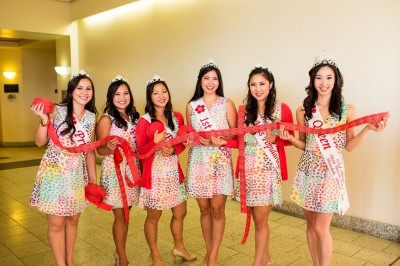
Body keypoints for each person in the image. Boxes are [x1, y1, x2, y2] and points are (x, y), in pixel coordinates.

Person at [279, 53, 388, 266]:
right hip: (307, 172)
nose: (324, 83)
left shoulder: (347, 110)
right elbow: (305, 144)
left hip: (330, 173)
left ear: (336, 80)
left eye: (329, 77)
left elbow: (349, 146)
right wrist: (291, 139)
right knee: (310, 224)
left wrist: (366, 129)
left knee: (321, 228)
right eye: (319, 77)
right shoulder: (303, 111)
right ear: (312, 80)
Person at [30, 70, 97, 266]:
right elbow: (39, 142)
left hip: (76, 174)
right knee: (57, 222)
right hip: (54, 172)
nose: (84, 92)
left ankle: (70, 261)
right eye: (80, 88)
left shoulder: (91, 117)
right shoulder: (56, 110)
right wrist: (43, 119)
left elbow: (89, 150)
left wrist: (92, 179)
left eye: (88, 89)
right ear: (71, 90)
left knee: (73, 220)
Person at [233, 66, 293, 266]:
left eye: (262, 84)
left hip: (267, 170)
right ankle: (266, 259)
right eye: (253, 84)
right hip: (247, 170)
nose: (257, 88)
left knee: (261, 220)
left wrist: (276, 140)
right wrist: (220, 141)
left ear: (271, 85)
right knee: (256, 217)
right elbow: (236, 140)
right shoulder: (244, 111)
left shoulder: (281, 109)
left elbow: (291, 138)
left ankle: (257, 263)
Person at [136, 75, 196, 266]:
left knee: (180, 212)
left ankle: (179, 247)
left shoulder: (176, 117)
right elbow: (139, 152)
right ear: (150, 97)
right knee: (154, 216)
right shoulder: (144, 121)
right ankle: (155, 256)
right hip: (154, 176)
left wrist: (174, 150)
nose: (161, 96)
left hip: (173, 173)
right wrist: (154, 144)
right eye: (156, 93)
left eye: (164, 91)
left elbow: (181, 144)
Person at [185, 60, 237, 266]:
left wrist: (222, 141)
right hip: (198, 162)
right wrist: (195, 140)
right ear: (200, 80)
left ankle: (213, 256)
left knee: (217, 209)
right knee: (204, 210)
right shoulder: (192, 106)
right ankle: (209, 252)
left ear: (219, 81)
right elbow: (189, 136)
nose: (210, 82)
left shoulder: (227, 103)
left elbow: (236, 138)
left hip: (219, 163)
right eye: (206, 78)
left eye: (215, 78)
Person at [96, 75, 140, 266]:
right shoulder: (107, 119)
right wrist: (110, 148)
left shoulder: (134, 117)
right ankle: (123, 258)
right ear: (110, 97)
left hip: (132, 170)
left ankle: (118, 250)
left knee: (126, 213)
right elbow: (100, 149)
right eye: (117, 94)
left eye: (125, 93)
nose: (122, 97)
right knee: (120, 215)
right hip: (115, 171)